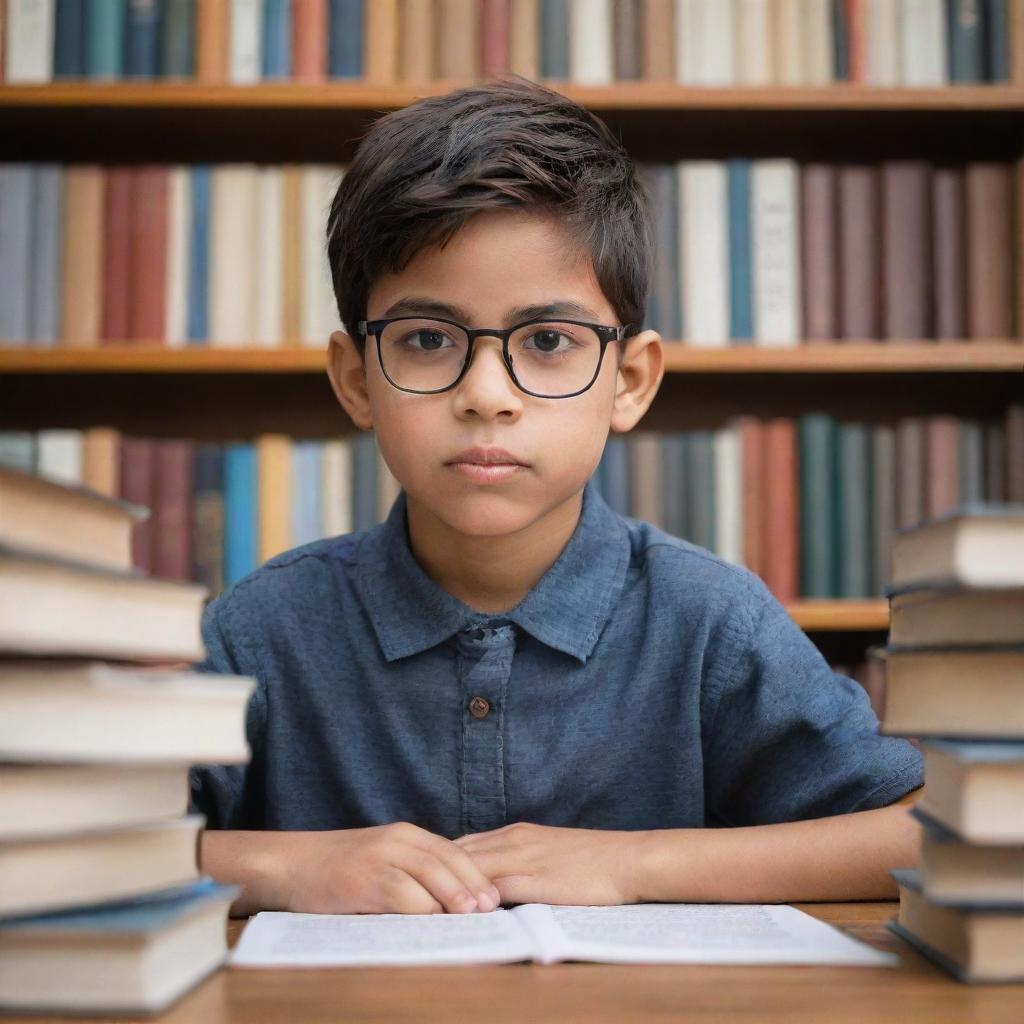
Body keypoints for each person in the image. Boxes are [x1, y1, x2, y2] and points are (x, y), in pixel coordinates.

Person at [191, 78, 923, 918]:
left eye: (547, 341)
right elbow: (74, 848)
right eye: (428, 340)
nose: (487, 393)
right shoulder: (260, 632)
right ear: (357, 380)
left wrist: (636, 865)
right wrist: (288, 871)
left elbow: (919, 832)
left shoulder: (712, 623)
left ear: (630, 380)